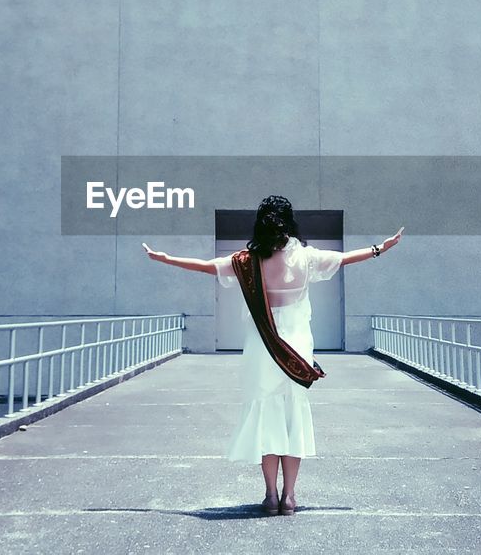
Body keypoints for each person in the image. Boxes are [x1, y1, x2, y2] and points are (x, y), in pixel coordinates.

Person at [141, 195, 403, 516]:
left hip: (262, 350)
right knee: (293, 417)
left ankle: (269, 495)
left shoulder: (247, 261)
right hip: (295, 351)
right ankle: (289, 496)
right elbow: (347, 258)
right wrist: (380, 249)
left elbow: (208, 267)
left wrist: (167, 258)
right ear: (289, 221)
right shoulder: (306, 258)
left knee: (266, 418)